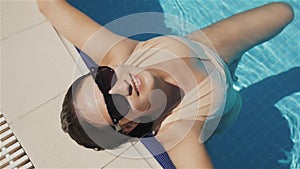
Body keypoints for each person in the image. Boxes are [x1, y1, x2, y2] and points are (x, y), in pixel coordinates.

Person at [37, 1, 294, 168]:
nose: (120, 87)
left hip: (211, 47)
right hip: (225, 103)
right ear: (128, 127)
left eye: (105, 79)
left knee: (284, 11)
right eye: (114, 106)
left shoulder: (120, 55)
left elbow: (50, 6)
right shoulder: (179, 133)